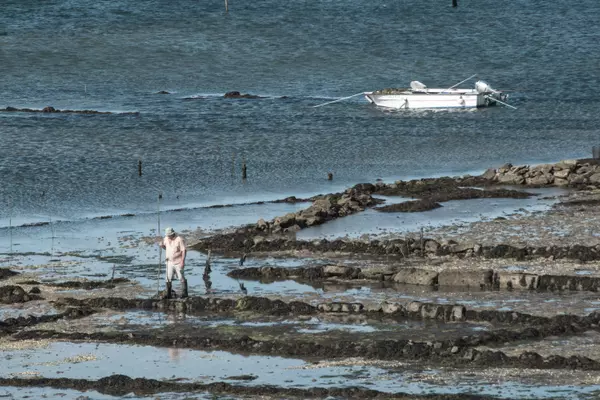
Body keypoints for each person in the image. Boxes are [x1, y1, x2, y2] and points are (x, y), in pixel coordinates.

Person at [159, 227, 187, 299]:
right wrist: (162, 246)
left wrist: (182, 262)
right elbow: (166, 248)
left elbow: (184, 250)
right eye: (167, 235)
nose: (168, 236)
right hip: (169, 262)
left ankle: (184, 294)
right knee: (168, 278)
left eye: (169, 235)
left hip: (178, 262)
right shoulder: (165, 239)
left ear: (173, 234)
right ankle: (168, 294)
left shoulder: (179, 239)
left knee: (181, 278)